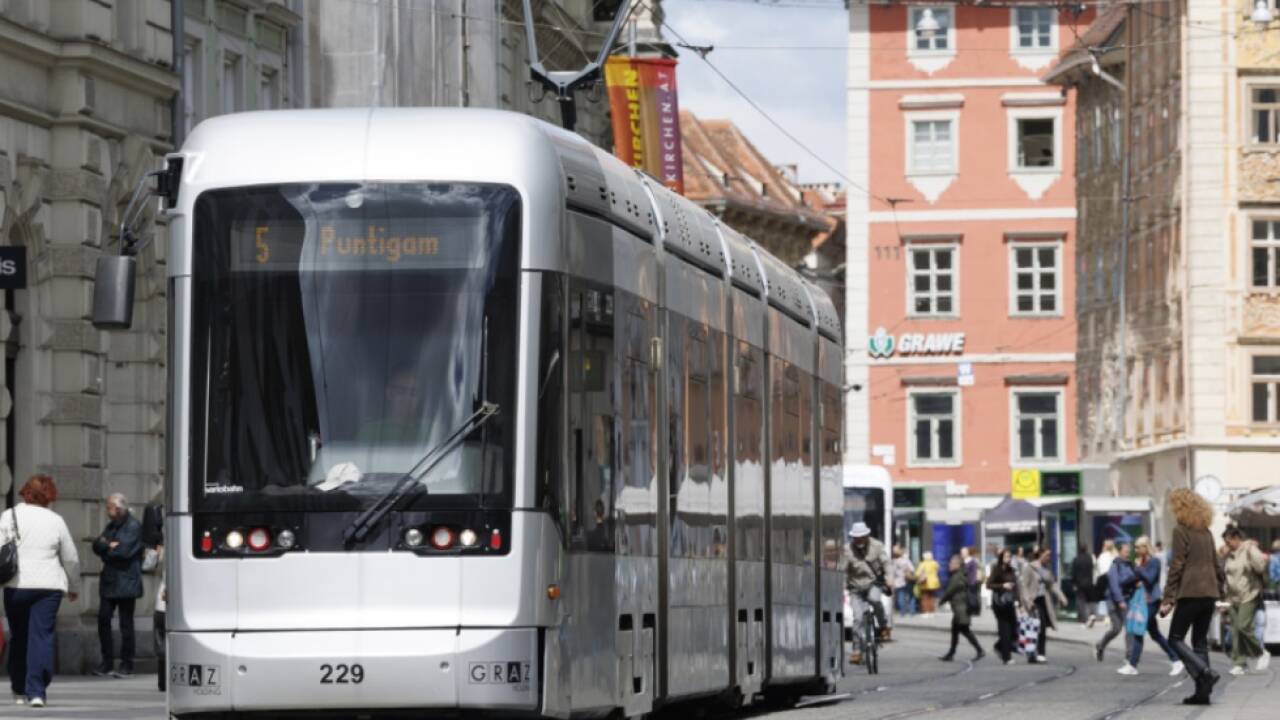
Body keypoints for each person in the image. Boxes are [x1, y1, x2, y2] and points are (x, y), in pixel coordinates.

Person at [0, 475, 81, 708]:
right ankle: (36, 692)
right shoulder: (55, 520)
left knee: (19, 637)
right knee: (41, 637)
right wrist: (74, 586)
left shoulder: (9, 516)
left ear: (26, 492)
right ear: (49, 496)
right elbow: (71, 558)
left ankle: (18, 689)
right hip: (48, 587)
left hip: (16, 586)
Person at [1160, 488, 1227, 706]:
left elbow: (1177, 565)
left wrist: (1168, 598)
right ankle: (1202, 694)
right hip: (1209, 593)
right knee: (1199, 642)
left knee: (1175, 639)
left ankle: (1205, 672)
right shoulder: (1206, 532)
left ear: (1180, 507)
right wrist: (1220, 591)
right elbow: (1217, 564)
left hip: (1191, 592)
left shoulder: (1181, 531)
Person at [92, 492, 145, 678]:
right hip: (109, 581)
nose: (107, 511)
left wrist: (107, 549)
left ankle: (126, 664)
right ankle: (107, 661)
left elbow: (122, 553)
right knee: (103, 620)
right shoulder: (111, 526)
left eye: (109, 507)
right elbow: (96, 545)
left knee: (126, 624)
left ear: (120, 509)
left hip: (126, 582)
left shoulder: (133, 526)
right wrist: (108, 546)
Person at [1119, 536, 1183, 676]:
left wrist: (1138, 570)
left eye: (1137, 547)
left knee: (1138, 631)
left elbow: (1149, 578)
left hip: (1152, 601)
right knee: (1155, 634)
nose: (1135, 550)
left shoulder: (1154, 561)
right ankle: (1176, 660)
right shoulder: (1140, 562)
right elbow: (1133, 579)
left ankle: (1132, 665)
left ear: (1145, 547)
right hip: (1142, 601)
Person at [1221, 526, 1269, 675]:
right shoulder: (1230, 554)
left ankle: (1261, 652)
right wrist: (1225, 594)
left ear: (1236, 538)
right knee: (1236, 631)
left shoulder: (1249, 549)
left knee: (1243, 626)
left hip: (1249, 594)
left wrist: (1251, 557)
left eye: (1228, 541)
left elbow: (1261, 567)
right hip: (1233, 597)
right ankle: (1240, 663)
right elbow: (1228, 575)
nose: (1226, 544)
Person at [841, 522, 890, 662]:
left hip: (873, 583)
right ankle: (857, 650)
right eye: (856, 537)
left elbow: (886, 564)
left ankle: (884, 625)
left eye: (862, 537)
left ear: (867, 535)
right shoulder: (847, 550)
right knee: (857, 618)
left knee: (875, 600)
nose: (859, 540)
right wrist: (841, 587)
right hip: (855, 587)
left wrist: (890, 578)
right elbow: (843, 571)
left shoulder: (877, 546)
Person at [1020, 546, 1068, 663]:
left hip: (1043, 600)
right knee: (1035, 627)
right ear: (1040, 554)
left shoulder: (1047, 569)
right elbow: (1024, 586)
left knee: (1041, 627)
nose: (1048, 558)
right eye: (1047, 555)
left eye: (1049, 555)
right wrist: (1027, 601)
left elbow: (1052, 585)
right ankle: (1032, 653)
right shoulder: (1029, 568)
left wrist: (1062, 597)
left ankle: (1040, 653)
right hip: (1033, 601)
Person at [939, 554, 985, 662]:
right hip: (960, 608)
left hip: (961, 608)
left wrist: (941, 601)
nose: (949, 565)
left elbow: (950, 591)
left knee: (964, 630)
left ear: (957, 564)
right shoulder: (961, 574)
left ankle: (979, 650)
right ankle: (951, 653)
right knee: (955, 630)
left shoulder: (957, 576)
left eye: (951, 563)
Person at [1096, 540, 1137, 664]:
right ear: (1119, 552)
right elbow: (1114, 585)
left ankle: (1129, 656)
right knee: (1116, 629)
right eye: (1125, 552)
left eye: (1128, 552)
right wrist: (1120, 601)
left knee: (1129, 628)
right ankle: (1101, 644)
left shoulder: (1130, 565)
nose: (1128, 554)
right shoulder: (1115, 566)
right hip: (1114, 601)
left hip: (1127, 600)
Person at [986, 548, 1020, 666]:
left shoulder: (1012, 570)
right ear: (1001, 558)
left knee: (1014, 630)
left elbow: (1016, 586)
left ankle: (999, 646)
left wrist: (1019, 602)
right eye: (1006, 557)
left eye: (1009, 557)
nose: (1008, 559)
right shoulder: (997, 569)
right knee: (1005, 630)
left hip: (1010, 602)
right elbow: (988, 585)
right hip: (999, 604)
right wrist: (1003, 585)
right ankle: (1007, 657)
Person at [1090, 539, 1117, 627]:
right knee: (1110, 597)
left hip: (1101, 579)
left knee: (1102, 598)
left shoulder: (1102, 556)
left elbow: (1098, 568)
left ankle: (1102, 615)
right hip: (1111, 578)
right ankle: (1109, 616)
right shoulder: (1114, 556)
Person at [1070, 543, 1095, 624]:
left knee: (1080, 601)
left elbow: (1073, 572)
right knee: (1089, 601)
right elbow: (1092, 570)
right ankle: (1090, 615)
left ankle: (1083, 618)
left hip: (1079, 583)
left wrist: (1073, 583)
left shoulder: (1076, 559)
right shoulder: (1089, 558)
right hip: (1089, 583)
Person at [890, 545, 916, 615]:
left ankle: (903, 611)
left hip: (899, 582)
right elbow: (912, 569)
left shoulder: (893, 561)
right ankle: (911, 611)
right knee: (911, 596)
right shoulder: (905, 560)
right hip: (907, 580)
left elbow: (892, 572)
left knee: (901, 597)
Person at [915, 551, 941, 617]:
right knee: (932, 597)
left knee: (925, 598)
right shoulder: (935, 563)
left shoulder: (923, 564)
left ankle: (926, 612)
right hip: (934, 583)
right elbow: (938, 569)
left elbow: (917, 573)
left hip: (925, 583)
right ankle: (932, 611)